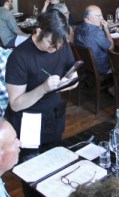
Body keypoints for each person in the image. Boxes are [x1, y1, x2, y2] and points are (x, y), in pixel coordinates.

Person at [5, 9, 77, 144]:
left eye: (60, 44)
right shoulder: (19, 57)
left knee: (54, 154)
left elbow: (73, 74)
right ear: (38, 32)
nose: (55, 48)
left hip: (54, 115)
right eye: (51, 44)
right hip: (28, 119)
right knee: (31, 160)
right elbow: (15, 104)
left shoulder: (61, 45)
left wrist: (69, 82)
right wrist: (43, 88)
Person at [74, 5, 113, 75]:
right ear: (90, 18)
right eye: (99, 15)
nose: (102, 18)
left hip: (86, 66)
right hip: (102, 68)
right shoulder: (97, 33)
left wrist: (100, 29)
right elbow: (111, 48)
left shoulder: (78, 28)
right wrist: (106, 30)